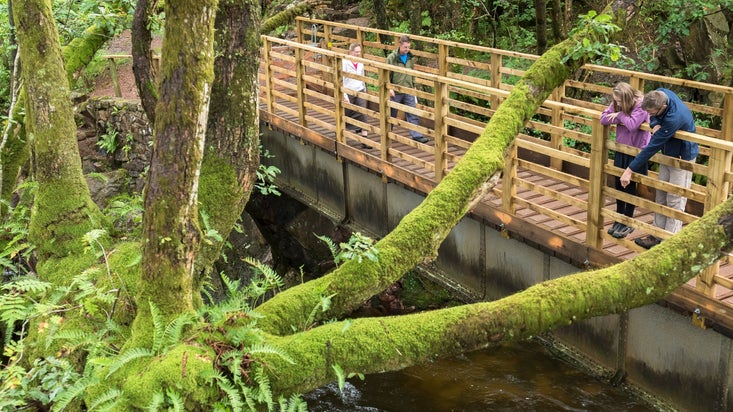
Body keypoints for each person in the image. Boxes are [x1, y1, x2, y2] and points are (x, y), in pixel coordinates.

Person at [620, 88, 698, 249]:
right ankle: (656, 234)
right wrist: (654, 123)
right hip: (668, 152)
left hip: (682, 156)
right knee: (661, 194)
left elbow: (652, 147)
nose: (651, 115)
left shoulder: (674, 118)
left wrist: (629, 170)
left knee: (675, 199)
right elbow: (652, 117)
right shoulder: (660, 93)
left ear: (662, 108)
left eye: (654, 113)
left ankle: (669, 241)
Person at [600, 82, 651, 239]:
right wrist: (619, 115)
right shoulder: (618, 102)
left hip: (637, 150)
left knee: (629, 184)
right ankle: (619, 216)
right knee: (618, 182)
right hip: (621, 147)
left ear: (628, 98)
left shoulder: (641, 105)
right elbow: (603, 118)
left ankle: (627, 220)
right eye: (616, 102)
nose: (618, 104)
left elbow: (632, 125)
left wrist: (620, 116)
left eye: (620, 102)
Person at [386, 35, 428, 143]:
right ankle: (386, 133)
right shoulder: (392, 57)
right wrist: (389, 87)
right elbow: (386, 73)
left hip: (408, 89)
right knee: (391, 113)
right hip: (396, 90)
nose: (407, 49)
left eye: (408, 47)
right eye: (405, 47)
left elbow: (412, 72)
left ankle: (417, 135)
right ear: (400, 45)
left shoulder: (410, 58)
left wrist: (414, 85)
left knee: (412, 112)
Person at [342, 43, 369, 142]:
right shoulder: (344, 62)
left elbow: (362, 78)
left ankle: (364, 138)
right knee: (346, 113)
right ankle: (341, 131)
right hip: (348, 90)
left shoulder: (360, 63)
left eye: (359, 52)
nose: (358, 54)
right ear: (351, 52)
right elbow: (342, 79)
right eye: (356, 52)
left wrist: (364, 89)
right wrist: (344, 94)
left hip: (359, 89)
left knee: (363, 112)